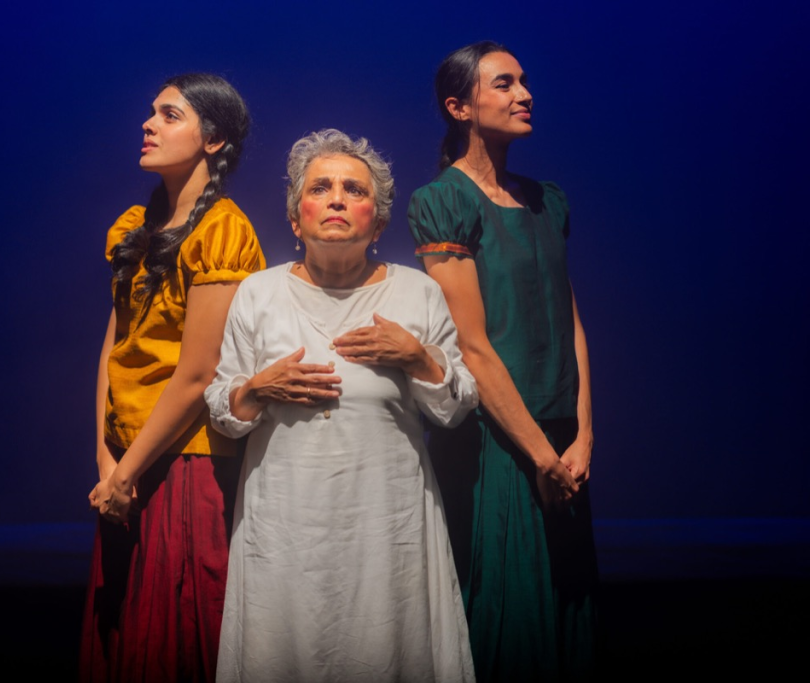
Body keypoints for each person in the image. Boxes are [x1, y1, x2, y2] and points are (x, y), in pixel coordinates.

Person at [205, 129, 478, 682]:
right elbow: (221, 411)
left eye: (354, 190)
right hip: (284, 526)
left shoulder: (416, 292)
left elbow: (455, 407)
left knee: (387, 648)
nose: (336, 200)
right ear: (294, 218)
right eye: (320, 188)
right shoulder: (259, 293)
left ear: (378, 223)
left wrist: (417, 357)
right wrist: (258, 388)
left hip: (386, 526)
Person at [407, 42, 599, 681]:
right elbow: (471, 345)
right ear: (458, 106)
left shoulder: (547, 200)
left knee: (565, 610)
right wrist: (541, 456)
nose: (525, 94)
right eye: (505, 83)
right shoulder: (445, 201)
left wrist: (583, 437)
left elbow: (571, 323)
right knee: (508, 615)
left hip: (562, 445)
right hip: (497, 442)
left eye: (524, 82)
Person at [78, 73, 265, 683]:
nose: (148, 124)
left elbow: (197, 373)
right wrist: (106, 461)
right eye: (151, 112)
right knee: (127, 633)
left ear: (213, 139)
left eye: (169, 115)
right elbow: (114, 349)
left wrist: (126, 473)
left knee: (177, 636)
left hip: (186, 460)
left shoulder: (222, 231)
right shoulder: (134, 227)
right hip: (126, 463)